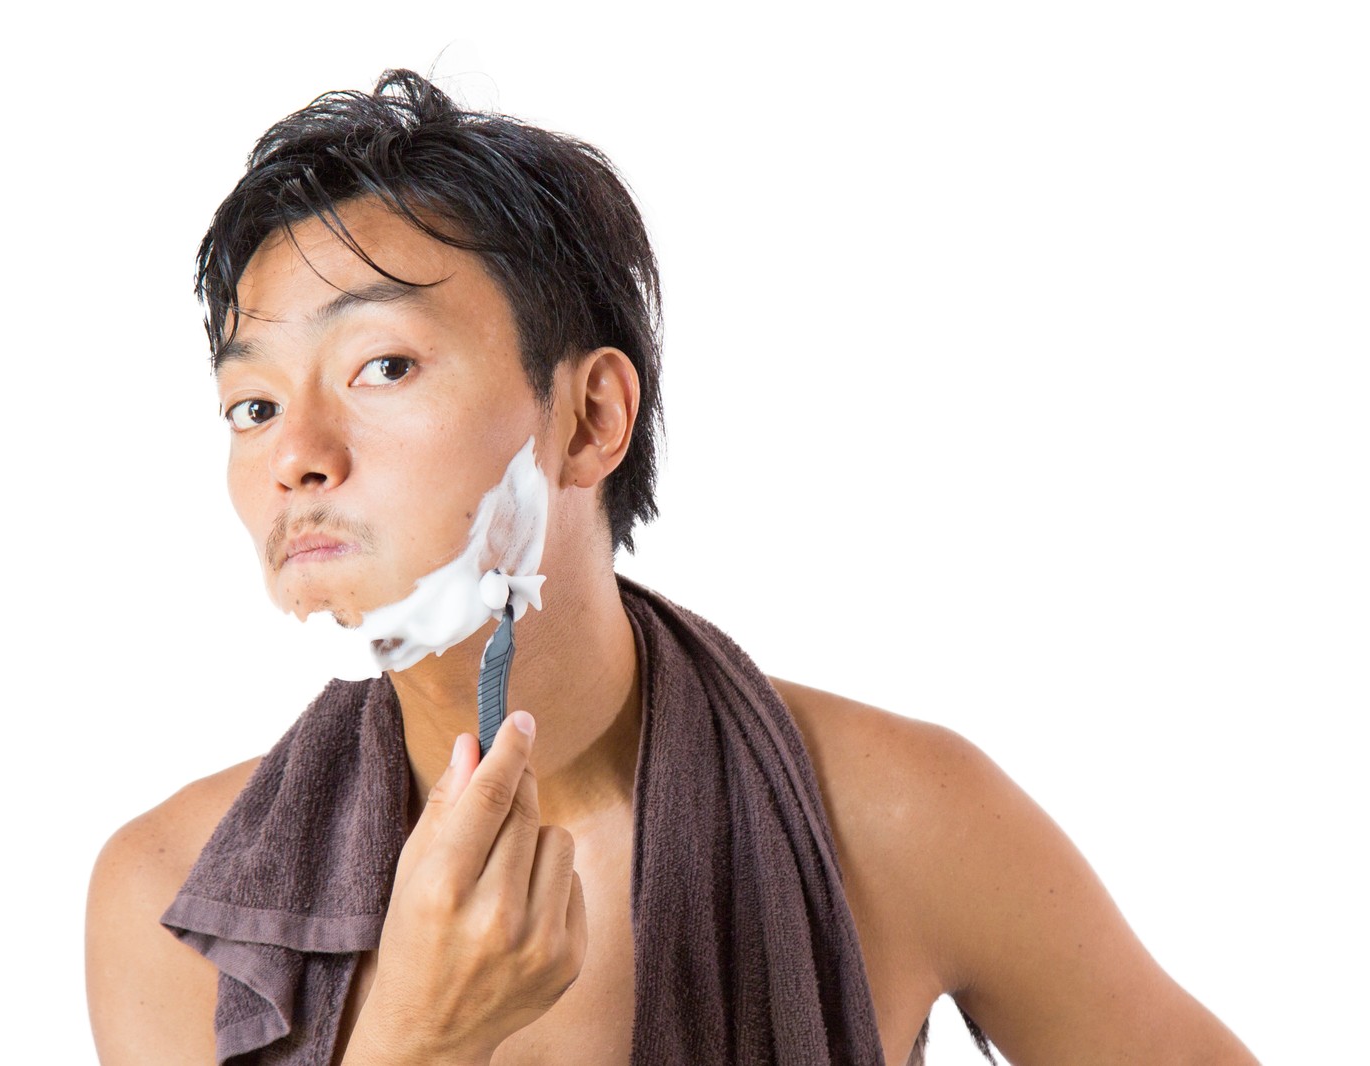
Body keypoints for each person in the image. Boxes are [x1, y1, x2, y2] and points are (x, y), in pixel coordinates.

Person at [84, 70, 1259, 1065]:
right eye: (251, 404)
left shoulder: (898, 819)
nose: (295, 454)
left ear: (592, 417)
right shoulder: (170, 903)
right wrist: (414, 1039)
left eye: (382, 366)